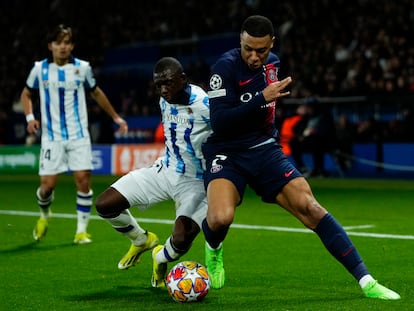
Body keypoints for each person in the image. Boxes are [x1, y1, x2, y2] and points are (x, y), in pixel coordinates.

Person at [201, 15, 400, 300]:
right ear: (240, 42)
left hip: (264, 149)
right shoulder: (224, 67)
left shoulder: (275, 64)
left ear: (272, 44)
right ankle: (214, 248)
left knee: (311, 207)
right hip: (227, 152)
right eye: (248, 49)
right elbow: (220, 122)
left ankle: (367, 281)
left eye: (261, 50)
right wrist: (260, 97)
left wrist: (263, 108)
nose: (254, 57)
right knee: (221, 218)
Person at [95, 57, 218, 288]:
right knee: (105, 204)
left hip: (196, 182)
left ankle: (159, 257)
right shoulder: (165, 99)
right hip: (165, 170)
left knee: (181, 240)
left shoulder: (204, 105)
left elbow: (228, 132)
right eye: (158, 85)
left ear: (183, 79)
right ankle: (140, 239)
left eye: (168, 83)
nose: (163, 90)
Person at [21, 24, 128, 244]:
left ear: (72, 45)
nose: (63, 47)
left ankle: (81, 231)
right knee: (47, 187)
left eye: (67, 42)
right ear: (50, 45)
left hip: (79, 135)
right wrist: (30, 118)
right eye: (58, 42)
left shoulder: (82, 68)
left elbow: (96, 93)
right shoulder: (39, 69)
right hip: (51, 137)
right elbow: (26, 93)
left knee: (83, 180)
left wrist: (116, 117)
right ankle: (44, 214)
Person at [289, 97, 336, 177]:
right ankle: (302, 168)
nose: (309, 108)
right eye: (308, 106)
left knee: (316, 142)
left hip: (322, 142)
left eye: (311, 106)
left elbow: (327, 131)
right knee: (293, 142)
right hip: (306, 141)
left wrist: (314, 132)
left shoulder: (324, 116)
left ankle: (319, 169)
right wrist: (297, 114)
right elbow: (295, 128)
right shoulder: (306, 117)